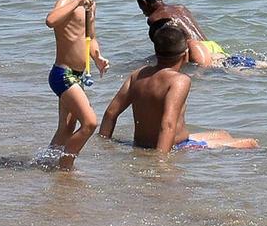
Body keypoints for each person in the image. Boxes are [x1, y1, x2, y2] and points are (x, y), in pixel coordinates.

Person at [97, 22, 258, 151]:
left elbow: (111, 113)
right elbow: (167, 124)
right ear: (185, 54)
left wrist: (104, 144)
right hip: (174, 146)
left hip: (142, 144)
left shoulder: (137, 75)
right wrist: (161, 163)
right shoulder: (179, 81)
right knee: (250, 143)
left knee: (223, 134)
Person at [45, 0, 111, 165]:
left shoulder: (90, 5)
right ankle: (65, 166)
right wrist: (78, 2)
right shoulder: (66, 2)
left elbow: (90, 37)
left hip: (78, 75)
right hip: (62, 74)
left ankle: (46, 162)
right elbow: (50, 20)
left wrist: (97, 57)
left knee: (66, 128)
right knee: (90, 123)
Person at [134, 0, 229, 67]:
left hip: (197, 52)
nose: (143, 13)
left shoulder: (154, 18)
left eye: (141, 8)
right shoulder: (180, 8)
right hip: (213, 46)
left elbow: (165, 52)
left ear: (144, 3)